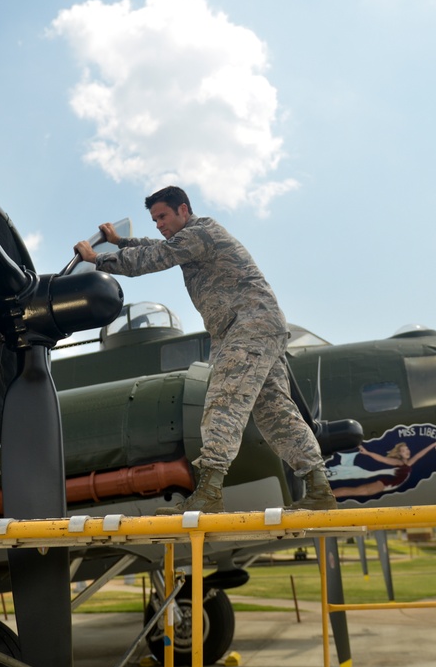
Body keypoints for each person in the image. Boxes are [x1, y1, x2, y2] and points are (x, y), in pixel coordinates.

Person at [74, 186, 336, 514]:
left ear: (183, 209)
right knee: (276, 414)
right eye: (154, 219)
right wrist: (121, 242)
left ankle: (209, 493)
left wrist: (97, 259)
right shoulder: (193, 237)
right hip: (257, 329)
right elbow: (160, 246)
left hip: (248, 329)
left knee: (223, 401)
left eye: (163, 216)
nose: (158, 224)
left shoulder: (200, 234)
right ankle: (319, 489)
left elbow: (154, 258)